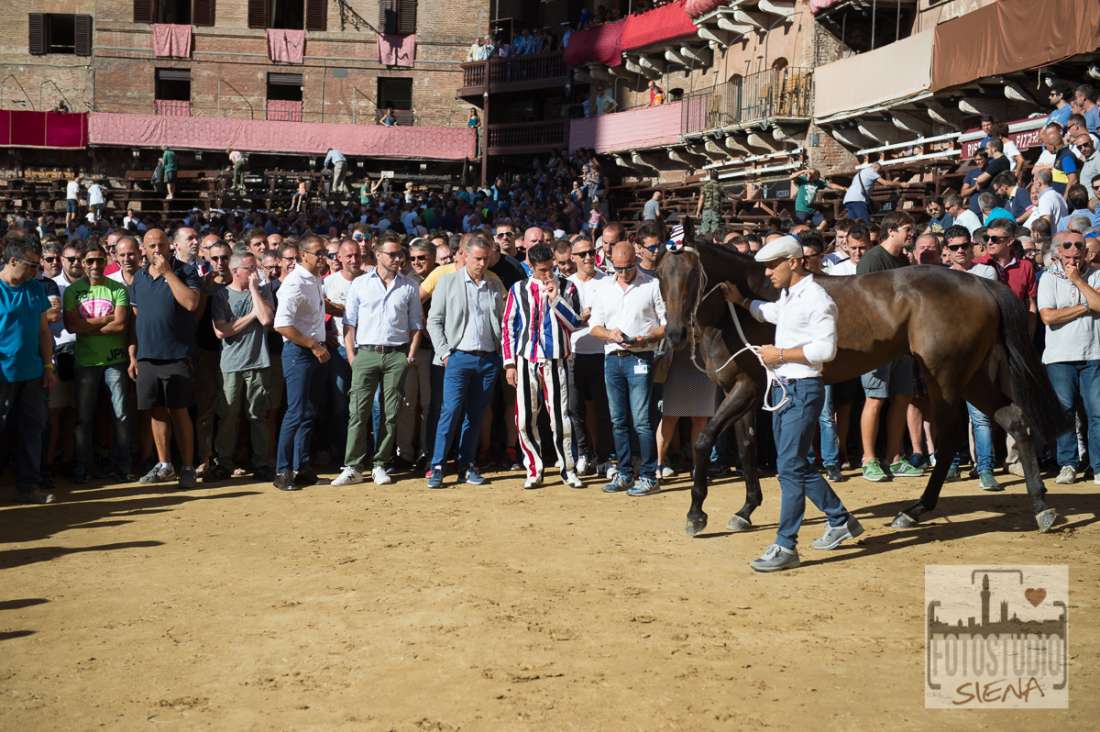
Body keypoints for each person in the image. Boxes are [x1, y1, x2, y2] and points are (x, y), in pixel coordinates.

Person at [721, 235, 862, 572]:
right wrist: (742, 302)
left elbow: (825, 350)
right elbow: (771, 313)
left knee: (789, 467)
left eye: (773, 265)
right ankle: (840, 519)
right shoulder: (791, 295)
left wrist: (779, 354)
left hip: (801, 389)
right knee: (794, 464)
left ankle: (786, 545)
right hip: (787, 389)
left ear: (794, 262)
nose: (768, 272)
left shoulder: (817, 298)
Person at [330, 238, 421, 487]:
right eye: (392, 254)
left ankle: (380, 463)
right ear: (378, 255)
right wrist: (352, 356)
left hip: (396, 355)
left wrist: (409, 355)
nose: (398, 258)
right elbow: (349, 324)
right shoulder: (360, 285)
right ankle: (353, 466)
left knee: (390, 412)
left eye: (399, 254)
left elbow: (416, 326)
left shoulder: (410, 287)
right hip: (366, 353)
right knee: (357, 411)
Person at [501, 243, 585, 489]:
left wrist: (555, 298)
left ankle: (567, 469)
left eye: (550, 268)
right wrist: (509, 364)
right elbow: (508, 326)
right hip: (526, 360)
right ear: (531, 267)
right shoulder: (518, 289)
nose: (547, 274)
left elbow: (575, 323)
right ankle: (534, 468)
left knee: (560, 418)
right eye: (541, 270)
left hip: (556, 359)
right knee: (525, 418)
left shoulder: (568, 286)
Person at [425, 233, 505, 488]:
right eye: (478, 259)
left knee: (475, 414)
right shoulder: (447, 282)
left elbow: (502, 322)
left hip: (487, 358)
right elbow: (433, 320)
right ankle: (437, 465)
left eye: (486, 259)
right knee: (450, 412)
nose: (482, 264)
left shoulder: (493, 284)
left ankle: (466, 465)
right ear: (465, 256)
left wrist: (500, 354)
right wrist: (445, 352)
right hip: (458, 356)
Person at [588, 241, 666, 496]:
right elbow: (594, 326)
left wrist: (646, 338)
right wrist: (610, 334)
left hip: (641, 356)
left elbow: (666, 324)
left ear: (637, 260)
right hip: (613, 358)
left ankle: (648, 475)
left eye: (628, 267)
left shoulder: (651, 284)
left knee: (642, 420)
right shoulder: (604, 287)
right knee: (618, 419)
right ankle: (624, 472)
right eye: (618, 268)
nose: (622, 273)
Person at [128, 228, 202, 488]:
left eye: (160, 245)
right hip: (148, 356)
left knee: (179, 411)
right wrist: (134, 355)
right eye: (151, 246)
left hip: (177, 355)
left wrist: (168, 273)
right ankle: (164, 464)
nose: (156, 250)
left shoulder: (185, 271)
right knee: (156, 412)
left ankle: (188, 467)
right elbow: (138, 315)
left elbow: (192, 303)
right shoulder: (138, 278)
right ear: (143, 250)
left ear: (170, 246)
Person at [856, 212, 922, 482]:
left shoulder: (903, 259)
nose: (911, 234)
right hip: (877, 342)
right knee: (875, 398)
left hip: (901, 342)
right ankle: (869, 458)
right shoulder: (872, 259)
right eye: (908, 229)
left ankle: (894, 458)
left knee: (902, 397)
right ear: (891, 231)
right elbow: (862, 302)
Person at [63, 243, 133, 483]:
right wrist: (106, 319)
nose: (95, 266)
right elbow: (72, 326)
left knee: (121, 415)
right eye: (90, 261)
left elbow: (122, 324)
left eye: (99, 261)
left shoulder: (118, 288)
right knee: (84, 418)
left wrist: (89, 325)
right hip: (86, 361)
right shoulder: (73, 292)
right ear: (83, 263)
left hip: (115, 360)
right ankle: (84, 466)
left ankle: (123, 466)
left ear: (106, 262)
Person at [1037, 231, 1100, 486]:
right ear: (1057, 252)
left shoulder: (1096, 274)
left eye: (1079, 245)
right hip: (1059, 357)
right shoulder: (1048, 278)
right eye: (1068, 245)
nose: (1074, 250)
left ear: (1086, 251)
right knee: (1064, 413)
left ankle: (1098, 466)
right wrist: (1086, 305)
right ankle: (1068, 464)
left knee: (1097, 413)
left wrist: (1078, 281)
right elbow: (1048, 317)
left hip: (1094, 354)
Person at [209, 251, 275, 482]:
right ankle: (223, 462)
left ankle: (262, 462)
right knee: (228, 415)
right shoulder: (221, 295)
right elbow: (222, 331)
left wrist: (255, 290)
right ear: (236, 271)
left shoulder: (263, 291)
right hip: (231, 365)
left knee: (258, 415)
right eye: (250, 268)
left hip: (259, 362)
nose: (255, 272)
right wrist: (251, 316)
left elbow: (267, 319)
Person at [943, 225, 1000, 489]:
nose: (961, 251)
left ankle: (985, 468)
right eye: (954, 247)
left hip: (978, 354)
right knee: (950, 413)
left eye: (965, 245)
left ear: (972, 246)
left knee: (980, 416)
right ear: (947, 250)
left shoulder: (986, 271)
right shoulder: (940, 277)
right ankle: (952, 464)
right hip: (948, 358)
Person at [0, 238, 56, 504]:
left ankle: (29, 485)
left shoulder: (34, 287)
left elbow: (44, 332)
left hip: (32, 373)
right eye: (32, 265)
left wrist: (48, 365)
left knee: (32, 430)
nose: (37, 270)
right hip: (3, 375)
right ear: (12, 261)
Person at [272, 235, 330, 491]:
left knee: (307, 412)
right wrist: (313, 345)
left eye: (324, 252)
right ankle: (282, 470)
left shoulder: (314, 279)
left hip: (311, 350)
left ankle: (301, 465)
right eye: (318, 253)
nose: (322, 257)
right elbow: (282, 325)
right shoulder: (295, 283)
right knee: (296, 411)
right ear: (303, 255)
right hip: (300, 352)